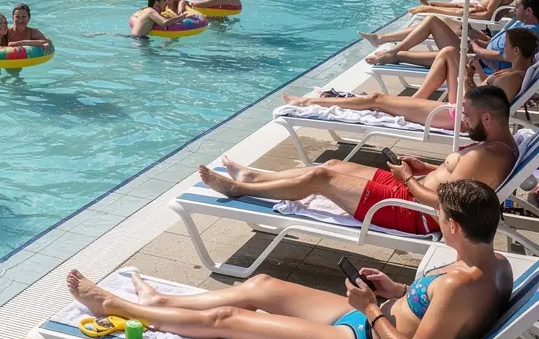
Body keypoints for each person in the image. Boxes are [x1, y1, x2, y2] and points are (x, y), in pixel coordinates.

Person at [66, 179, 511, 339]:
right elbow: (443, 318)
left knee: (232, 318)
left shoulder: (459, 285)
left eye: (439, 217)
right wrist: (395, 291)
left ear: (452, 226)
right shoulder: (498, 266)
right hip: (375, 323)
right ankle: (162, 298)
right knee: (262, 285)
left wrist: (371, 310)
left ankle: (117, 306)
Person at [201, 86, 517, 235]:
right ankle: (253, 176)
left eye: (468, 117)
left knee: (322, 179)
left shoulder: (486, 154)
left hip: (415, 212)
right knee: (334, 165)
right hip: (413, 189)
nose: (462, 122)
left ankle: (241, 189)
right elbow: (461, 180)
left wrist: (408, 179)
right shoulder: (499, 146)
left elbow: (442, 203)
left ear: (488, 118)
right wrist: (428, 169)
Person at [282, 28, 537, 125]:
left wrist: (469, 80)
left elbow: (478, 110)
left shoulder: (509, 78)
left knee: (376, 98)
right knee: (449, 51)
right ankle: (415, 101)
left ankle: (307, 103)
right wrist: (476, 75)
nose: (502, 48)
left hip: (456, 116)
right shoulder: (518, 73)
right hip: (458, 109)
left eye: (506, 45)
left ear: (515, 50)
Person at [363, 0, 539, 71]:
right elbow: (497, 45)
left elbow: (505, 56)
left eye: (517, 7)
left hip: (482, 62)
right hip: (479, 52)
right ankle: (386, 44)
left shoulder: (531, 32)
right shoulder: (520, 24)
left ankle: (392, 51)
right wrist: (475, 36)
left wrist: (476, 48)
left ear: (529, 11)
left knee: (432, 21)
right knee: (441, 22)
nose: (514, 11)